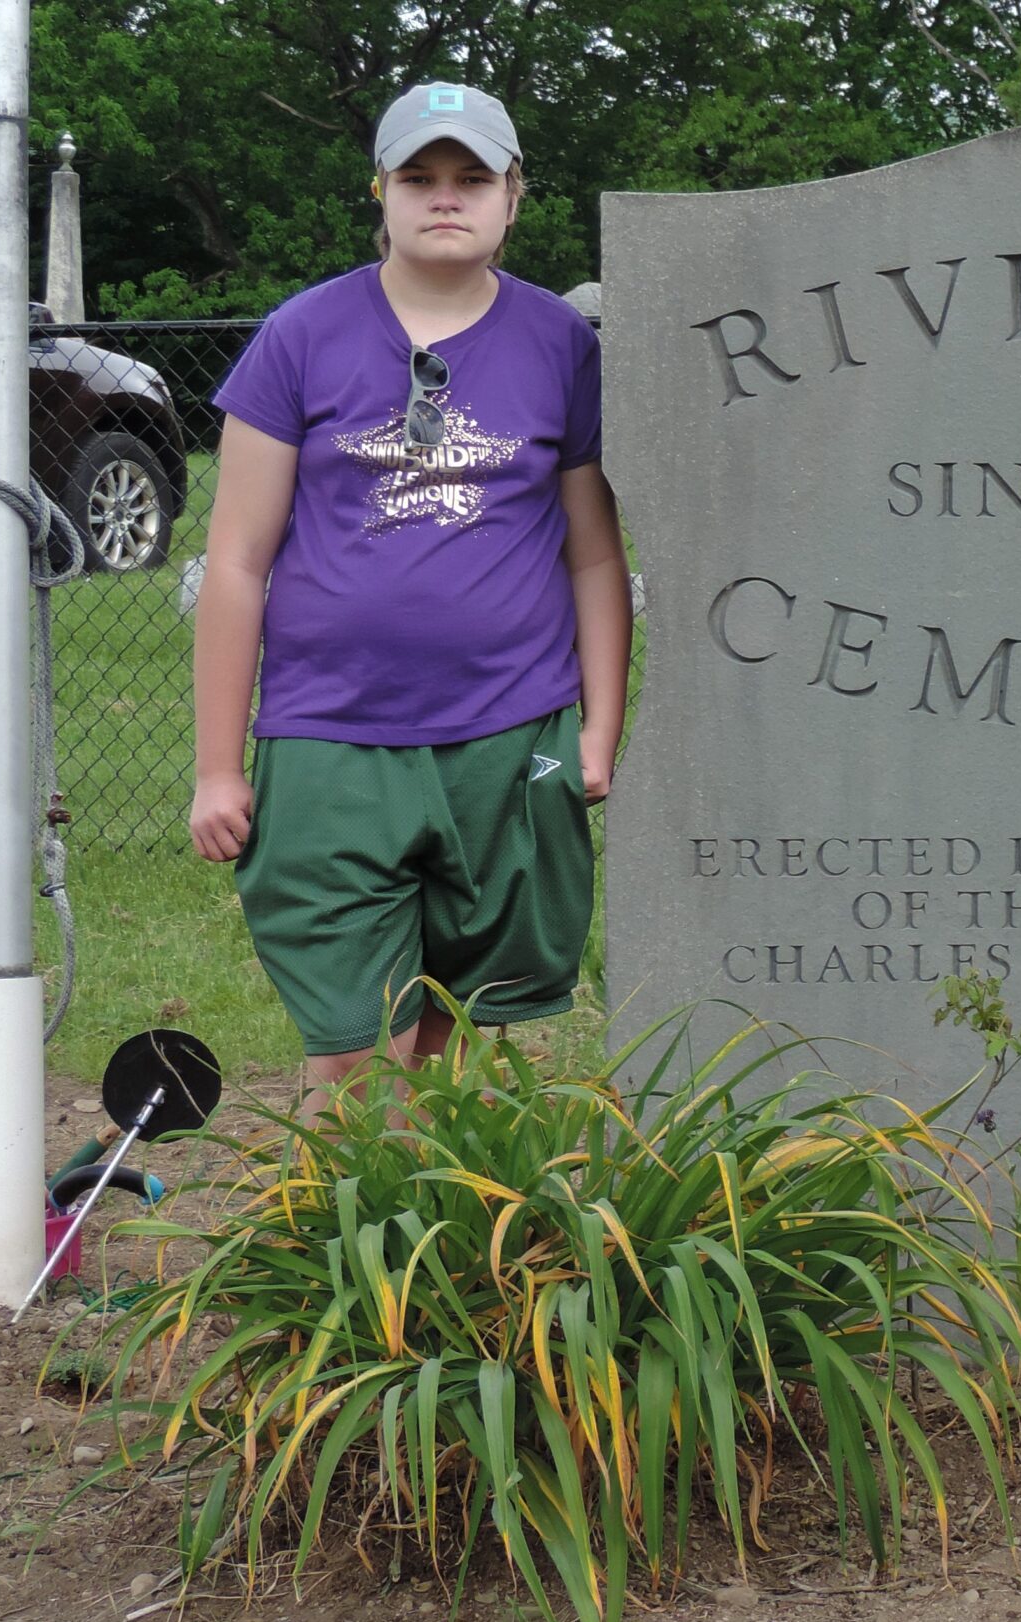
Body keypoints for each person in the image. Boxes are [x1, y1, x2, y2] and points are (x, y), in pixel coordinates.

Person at [189, 83, 631, 1108]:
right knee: (351, 1042)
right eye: (419, 177)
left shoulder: (560, 344)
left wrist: (598, 729)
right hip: (333, 733)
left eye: (472, 177)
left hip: (511, 728)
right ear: (379, 190)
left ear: (514, 196)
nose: (446, 198)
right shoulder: (301, 335)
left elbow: (593, 556)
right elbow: (237, 561)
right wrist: (219, 766)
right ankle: (336, 1243)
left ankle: (446, 1249)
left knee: (467, 1025)